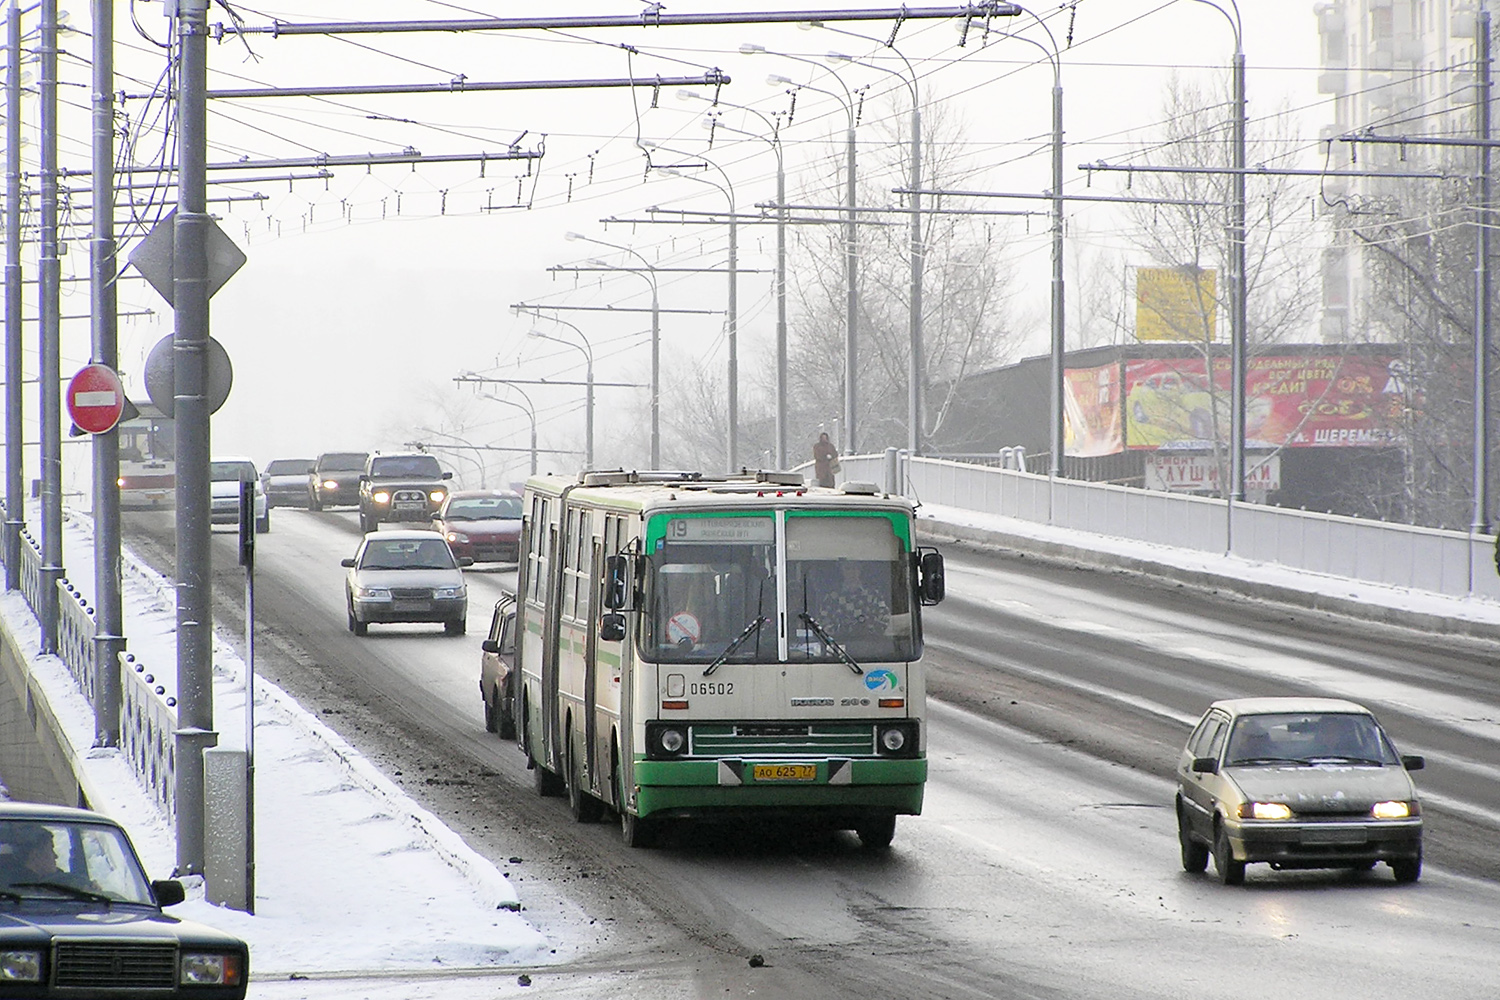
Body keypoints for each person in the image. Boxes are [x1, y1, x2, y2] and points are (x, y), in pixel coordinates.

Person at [0, 823, 89, 891]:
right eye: (50, 850)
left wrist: (88, 887)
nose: (56, 856)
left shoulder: (62, 880)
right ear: (35, 855)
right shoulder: (13, 887)